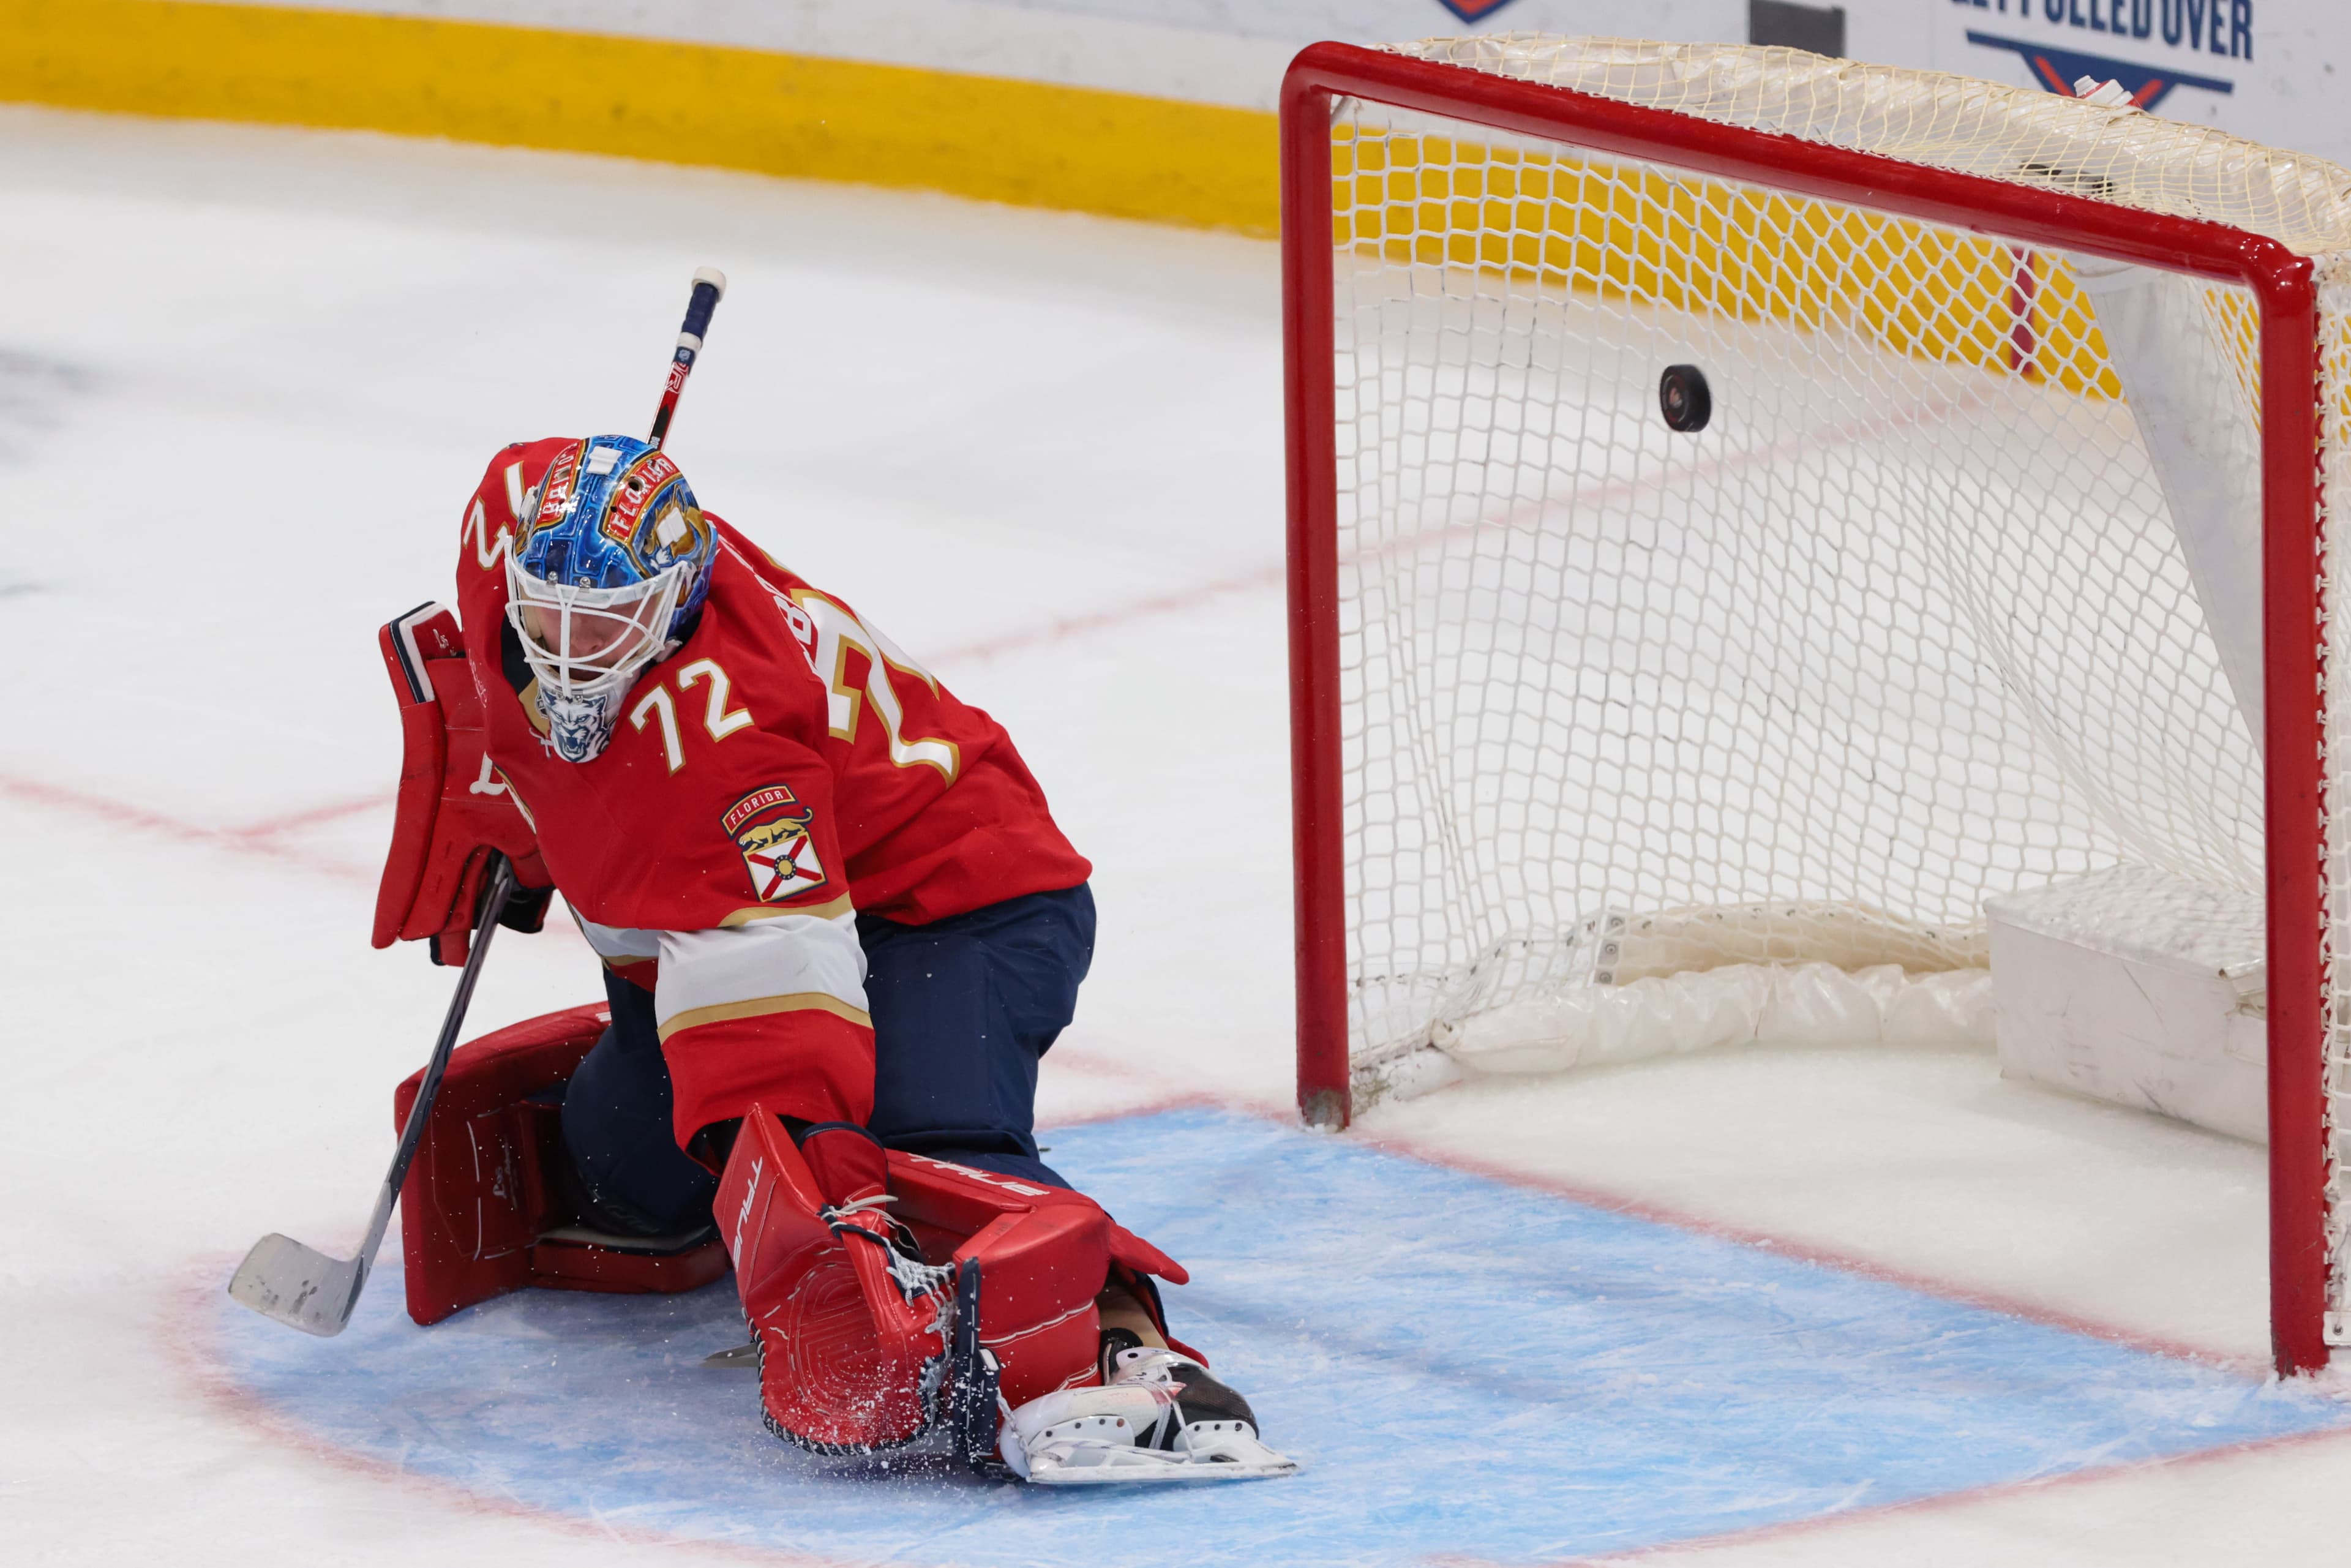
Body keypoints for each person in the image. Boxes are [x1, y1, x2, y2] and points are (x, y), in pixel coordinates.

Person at [442, 430, 1292, 1483]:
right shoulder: (510, 512)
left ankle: (1129, 1344)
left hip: (959, 894)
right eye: (548, 616)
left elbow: (774, 1029)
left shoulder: (734, 745)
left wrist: (835, 1206)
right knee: (623, 1165)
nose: (568, 656)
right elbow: (500, 600)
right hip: (760, 901)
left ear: (674, 606)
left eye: (606, 627)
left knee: (927, 1152)